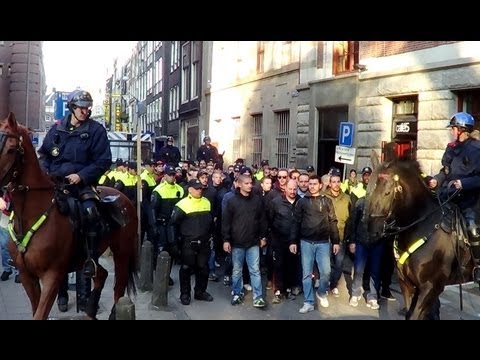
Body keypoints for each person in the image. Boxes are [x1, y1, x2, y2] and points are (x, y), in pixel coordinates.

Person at [38, 89, 112, 279]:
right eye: (81, 108)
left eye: (88, 108)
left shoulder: (96, 131)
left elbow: (103, 161)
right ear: (72, 107)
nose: (85, 112)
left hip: (81, 185)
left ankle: (90, 259)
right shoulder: (56, 129)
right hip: (55, 183)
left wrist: (81, 175)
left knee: (91, 212)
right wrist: (46, 172)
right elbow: (44, 155)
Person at [429, 112, 480, 283]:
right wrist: (436, 180)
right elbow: (445, 171)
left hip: (469, 199)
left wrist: (463, 183)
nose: (451, 131)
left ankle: (478, 266)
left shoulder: (477, 149)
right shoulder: (451, 147)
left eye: (453, 128)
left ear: (462, 129)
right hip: (447, 195)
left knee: (472, 227)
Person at [170, 179, 214, 305]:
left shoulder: (206, 202)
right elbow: (172, 225)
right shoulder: (182, 204)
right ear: (189, 189)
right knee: (186, 268)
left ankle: (200, 292)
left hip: (204, 242)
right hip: (188, 242)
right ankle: (185, 294)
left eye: (200, 188)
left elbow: (210, 221)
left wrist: (212, 235)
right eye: (196, 188)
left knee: (203, 268)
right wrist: (173, 243)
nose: (199, 190)